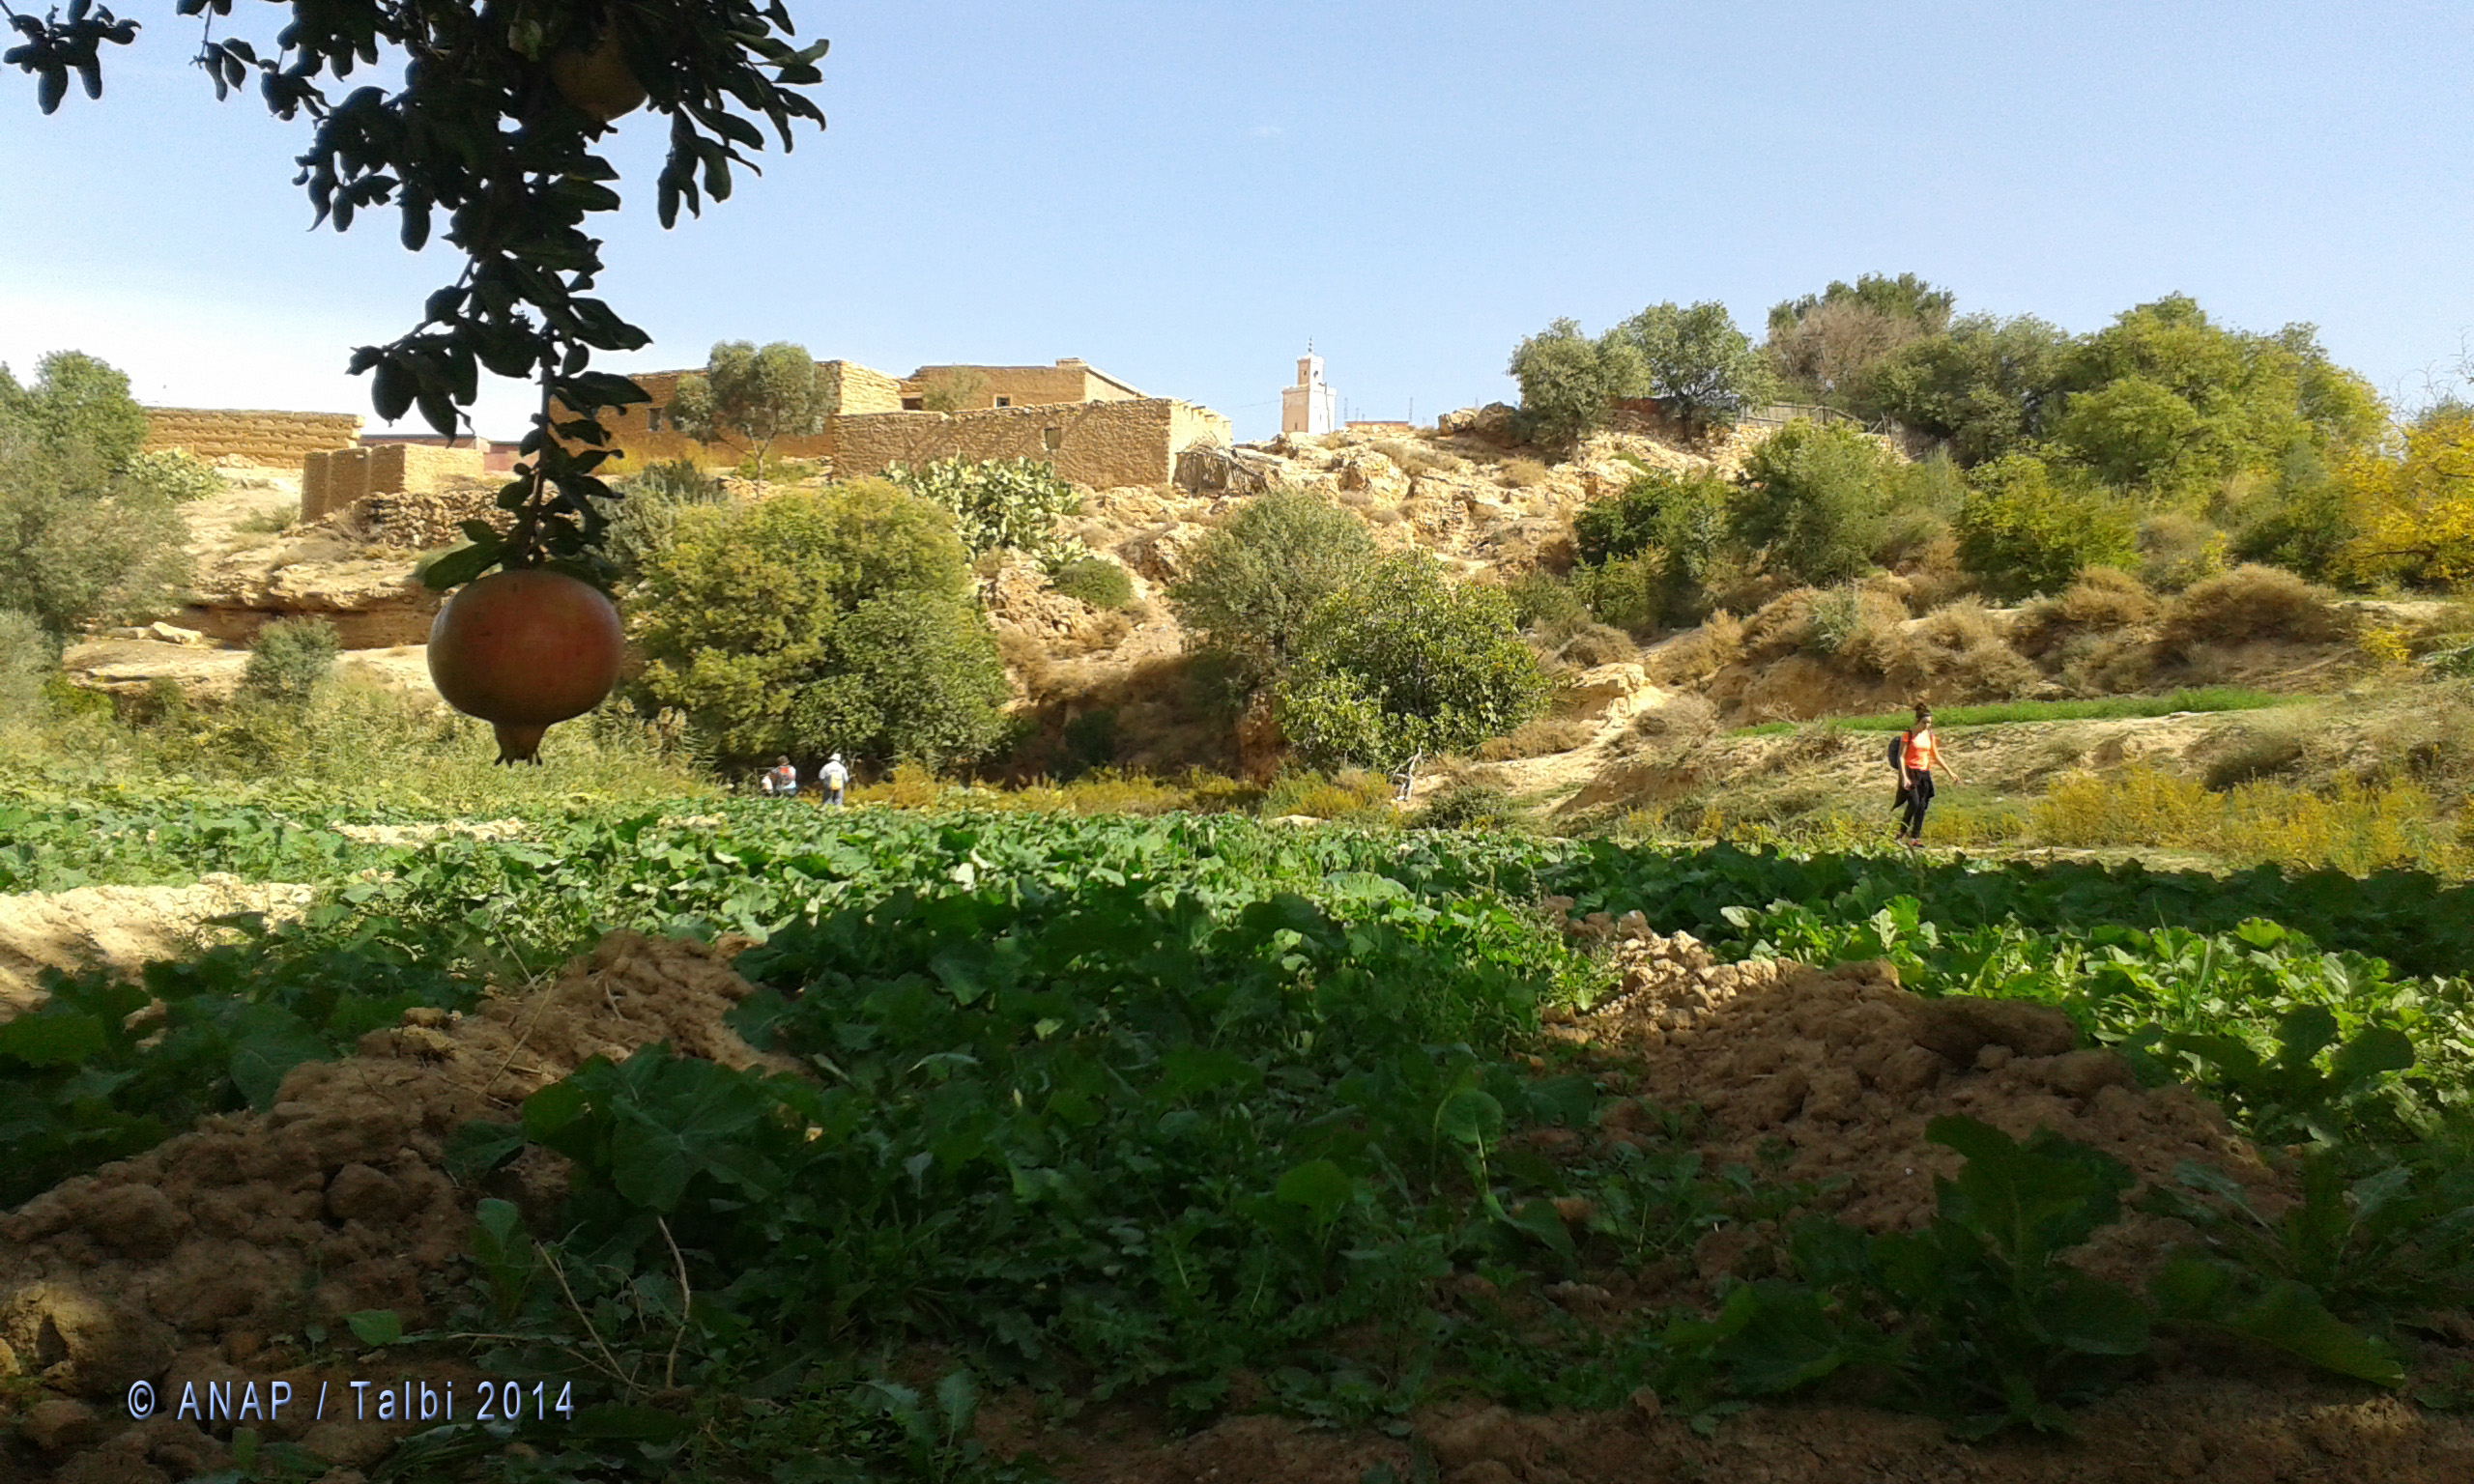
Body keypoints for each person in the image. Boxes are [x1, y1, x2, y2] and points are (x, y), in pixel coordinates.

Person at [1892, 703, 1960, 845]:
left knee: (1922, 806)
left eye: (1929, 723)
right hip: (1910, 771)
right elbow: (1901, 757)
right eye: (1924, 723)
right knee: (1914, 803)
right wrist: (1904, 777)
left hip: (1924, 772)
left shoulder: (1929, 735)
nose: (1927, 726)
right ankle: (1901, 833)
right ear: (1917, 721)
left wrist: (1950, 773)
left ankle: (1914, 839)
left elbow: (1935, 756)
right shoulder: (1908, 735)